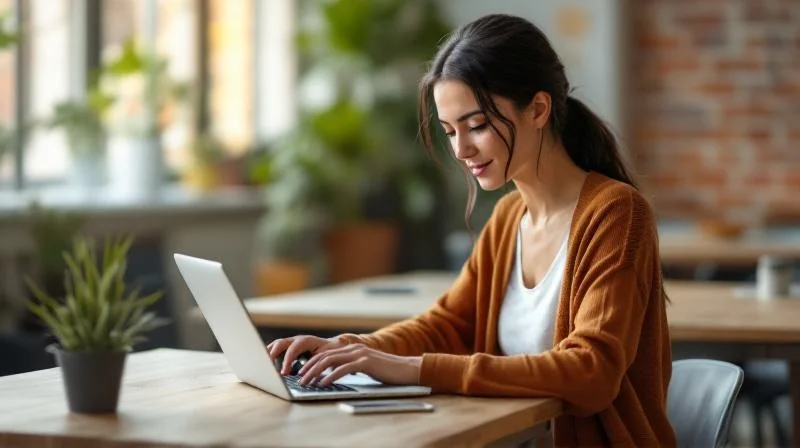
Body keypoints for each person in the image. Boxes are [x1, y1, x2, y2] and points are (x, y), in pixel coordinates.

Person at [268, 13, 676, 447]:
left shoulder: (615, 212)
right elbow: (447, 325)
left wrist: (416, 368)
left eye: (477, 126)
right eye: (449, 131)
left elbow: (591, 372)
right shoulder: (508, 217)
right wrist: (351, 349)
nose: (460, 150)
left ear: (538, 109)